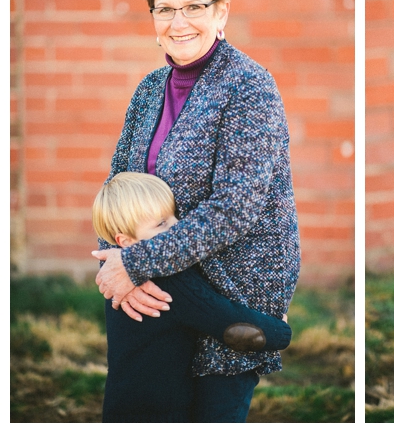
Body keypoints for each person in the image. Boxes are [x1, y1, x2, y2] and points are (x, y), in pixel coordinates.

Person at [90, 0, 301, 422]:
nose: (178, 21)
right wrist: (114, 263)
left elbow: (235, 208)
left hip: (232, 288)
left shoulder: (249, 86)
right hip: (160, 292)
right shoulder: (148, 90)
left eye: (194, 7)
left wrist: (136, 261)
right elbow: (116, 187)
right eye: (165, 8)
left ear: (221, 11)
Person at [92, 172, 292, 422]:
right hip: (161, 412)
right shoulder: (169, 280)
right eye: (161, 224)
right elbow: (228, 323)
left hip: (119, 405)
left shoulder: (118, 280)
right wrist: (279, 331)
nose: (177, 227)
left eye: (175, 216)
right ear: (126, 241)